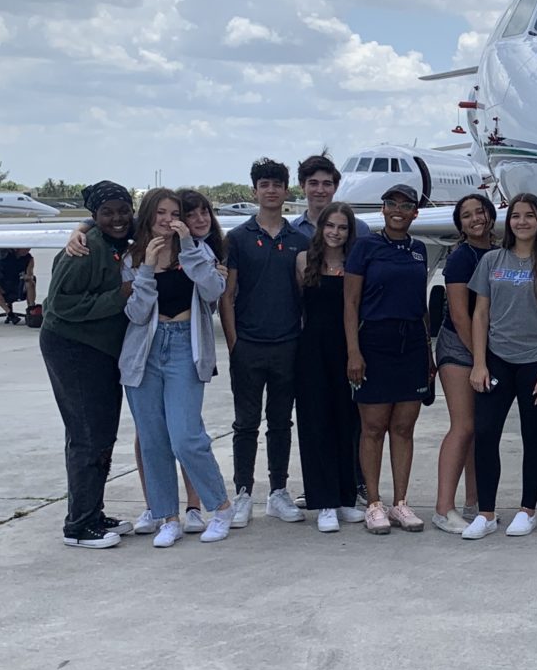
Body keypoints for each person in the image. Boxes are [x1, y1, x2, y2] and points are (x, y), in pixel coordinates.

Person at [118, 188, 236, 547]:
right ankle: (167, 517)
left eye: (174, 214)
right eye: (161, 213)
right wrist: (147, 269)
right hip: (145, 352)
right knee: (153, 439)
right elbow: (137, 313)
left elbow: (213, 290)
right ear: (148, 216)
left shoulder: (198, 250)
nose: (168, 220)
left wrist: (188, 248)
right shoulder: (133, 257)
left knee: (186, 436)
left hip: (185, 345)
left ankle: (220, 507)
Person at [463, 193, 537, 539]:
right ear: (508, 222)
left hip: (536, 362)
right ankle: (486, 513)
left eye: (529, 215)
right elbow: (480, 314)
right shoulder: (492, 260)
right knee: (485, 433)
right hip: (497, 360)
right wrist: (479, 363)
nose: (522, 221)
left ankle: (528, 510)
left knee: (534, 436)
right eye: (515, 216)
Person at [39, 181, 135, 549]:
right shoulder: (84, 249)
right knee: (87, 435)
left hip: (102, 349)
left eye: (123, 210)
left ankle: (93, 512)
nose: (117, 218)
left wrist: (83, 224)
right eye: (107, 213)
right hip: (73, 347)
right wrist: (118, 296)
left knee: (103, 434)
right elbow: (59, 305)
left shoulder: (118, 239)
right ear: (95, 215)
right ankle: (78, 526)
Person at [220, 158, 310, 526]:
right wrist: (234, 344)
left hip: (287, 344)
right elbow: (228, 295)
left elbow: (305, 295)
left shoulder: (300, 240)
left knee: (281, 422)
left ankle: (278, 491)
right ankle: (243, 492)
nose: (271, 190)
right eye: (264, 184)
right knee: (245, 423)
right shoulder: (238, 238)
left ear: (287, 190)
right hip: (249, 345)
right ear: (254, 190)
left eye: (277, 184)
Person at [344, 185, 432, 534]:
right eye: (391, 204)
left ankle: (400, 503)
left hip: (411, 342)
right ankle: (374, 503)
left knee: (404, 427)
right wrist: (353, 351)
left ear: (415, 213)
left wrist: (428, 353)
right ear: (382, 209)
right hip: (374, 340)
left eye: (406, 205)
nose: (398, 210)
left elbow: (421, 304)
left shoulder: (418, 250)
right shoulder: (365, 247)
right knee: (373, 427)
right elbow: (350, 303)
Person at [294, 202, 366, 533]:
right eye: (330, 226)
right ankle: (323, 500)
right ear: (321, 227)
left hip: (347, 349)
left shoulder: (356, 264)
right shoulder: (304, 261)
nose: (335, 232)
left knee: (346, 423)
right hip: (313, 350)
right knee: (316, 423)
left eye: (342, 227)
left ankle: (345, 497)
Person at [433, 193, 497, 534]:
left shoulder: (499, 253)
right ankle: (443, 508)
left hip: (488, 348)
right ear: (460, 224)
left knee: (480, 429)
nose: (476, 219)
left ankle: (475, 503)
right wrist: (480, 359)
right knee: (463, 426)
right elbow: (460, 316)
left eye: (480, 212)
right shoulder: (460, 258)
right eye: (467, 215)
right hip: (460, 348)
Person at [291, 153, 372, 238]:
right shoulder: (292, 231)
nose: (320, 190)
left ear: (335, 187)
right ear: (302, 186)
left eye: (327, 184)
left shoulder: (359, 229)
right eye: (313, 183)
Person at [0, 248, 36, 322]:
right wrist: (3, 249)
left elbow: (30, 273)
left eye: (28, 249)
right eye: (25, 249)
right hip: (3, 284)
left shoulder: (29, 258)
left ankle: (31, 309)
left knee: (30, 283)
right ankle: (9, 313)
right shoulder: (4, 254)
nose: (27, 251)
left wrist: (27, 277)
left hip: (19, 285)